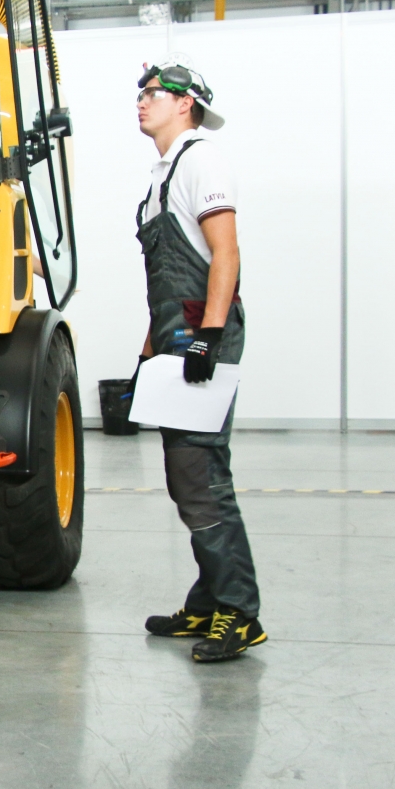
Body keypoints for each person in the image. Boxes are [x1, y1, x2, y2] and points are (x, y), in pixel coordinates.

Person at [133, 62, 265, 663]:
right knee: (188, 473)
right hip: (175, 335)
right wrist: (147, 353)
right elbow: (166, 281)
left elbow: (225, 253)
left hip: (200, 335)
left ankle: (239, 613)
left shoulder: (201, 160)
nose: (141, 102)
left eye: (152, 94)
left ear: (185, 103)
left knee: (200, 474)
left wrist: (208, 336)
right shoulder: (162, 174)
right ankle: (210, 601)